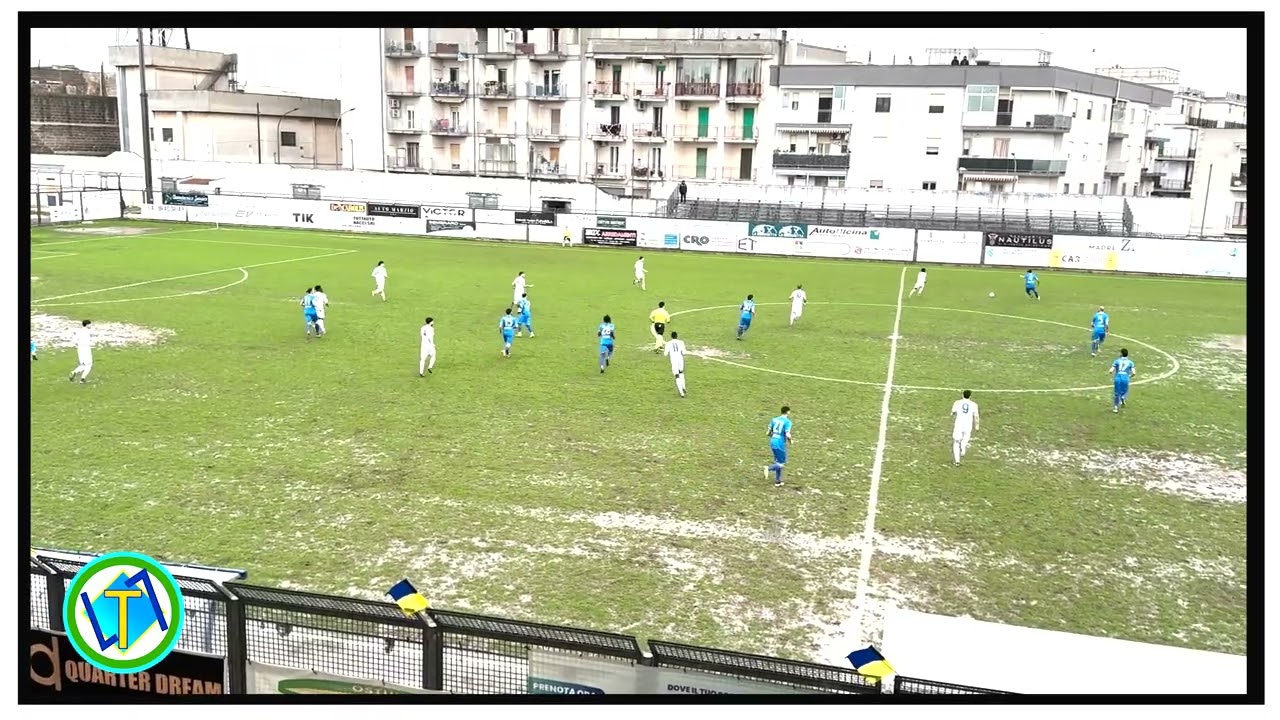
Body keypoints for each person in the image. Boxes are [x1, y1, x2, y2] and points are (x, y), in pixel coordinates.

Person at [765, 406, 793, 487]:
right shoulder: (787, 422)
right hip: (779, 443)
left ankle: (778, 481)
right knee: (781, 463)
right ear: (788, 412)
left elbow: (768, 433)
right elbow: (787, 434)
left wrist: (774, 436)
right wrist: (790, 440)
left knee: (778, 461)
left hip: (773, 441)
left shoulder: (774, 419)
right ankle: (768, 468)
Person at [950, 390, 979, 465]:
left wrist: (952, 413)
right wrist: (977, 425)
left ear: (962, 395)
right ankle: (963, 448)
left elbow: (952, 412)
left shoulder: (957, 403)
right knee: (965, 439)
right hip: (968, 425)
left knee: (956, 442)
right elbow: (976, 417)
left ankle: (957, 461)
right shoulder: (974, 405)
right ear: (970, 396)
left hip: (959, 424)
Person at [1110, 348, 1135, 413]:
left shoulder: (1117, 361)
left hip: (1118, 378)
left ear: (1121, 354)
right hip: (1125, 378)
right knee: (1125, 391)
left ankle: (1115, 408)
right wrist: (1129, 376)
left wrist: (1112, 373)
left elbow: (1110, 370)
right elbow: (1134, 373)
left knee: (1116, 393)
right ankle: (1123, 397)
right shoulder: (1130, 362)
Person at [68, 319, 92, 383]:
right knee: (89, 365)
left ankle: (74, 372)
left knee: (83, 365)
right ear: (87, 325)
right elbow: (89, 341)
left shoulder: (79, 331)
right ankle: (82, 379)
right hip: (86, 348)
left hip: (80, 348)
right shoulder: (87, 331)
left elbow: (74, 339)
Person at [665, 330, 688, 397]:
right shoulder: (681, 342)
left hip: (674, 360)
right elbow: (684, 352)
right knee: (681, 372)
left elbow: (665, 354)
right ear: (677, 336)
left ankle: (681, 392)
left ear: (671, 337)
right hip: (680, 359)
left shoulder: (668, 343)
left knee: (677, 375)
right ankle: (683, 387)